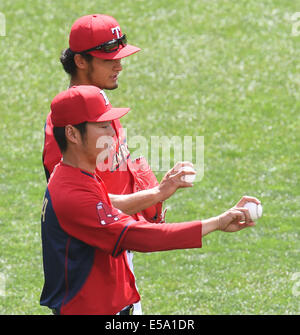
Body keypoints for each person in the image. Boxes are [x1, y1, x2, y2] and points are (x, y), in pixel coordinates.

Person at [40, 85, 258, 315]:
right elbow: (140, 237)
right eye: (103, 126)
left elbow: (105, 203)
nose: (112, 134)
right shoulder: (72, 195)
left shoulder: (72, 174)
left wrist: (158, 193)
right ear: (73, 134)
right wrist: (217, 223)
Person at [42, 14, 197, 314]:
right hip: (94, 267)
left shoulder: (99, 110)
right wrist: (156, 195)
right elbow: (80, 200)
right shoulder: (66, 126)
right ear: (81, 61)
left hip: (119, 252)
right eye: (108, 59)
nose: (119, 65)